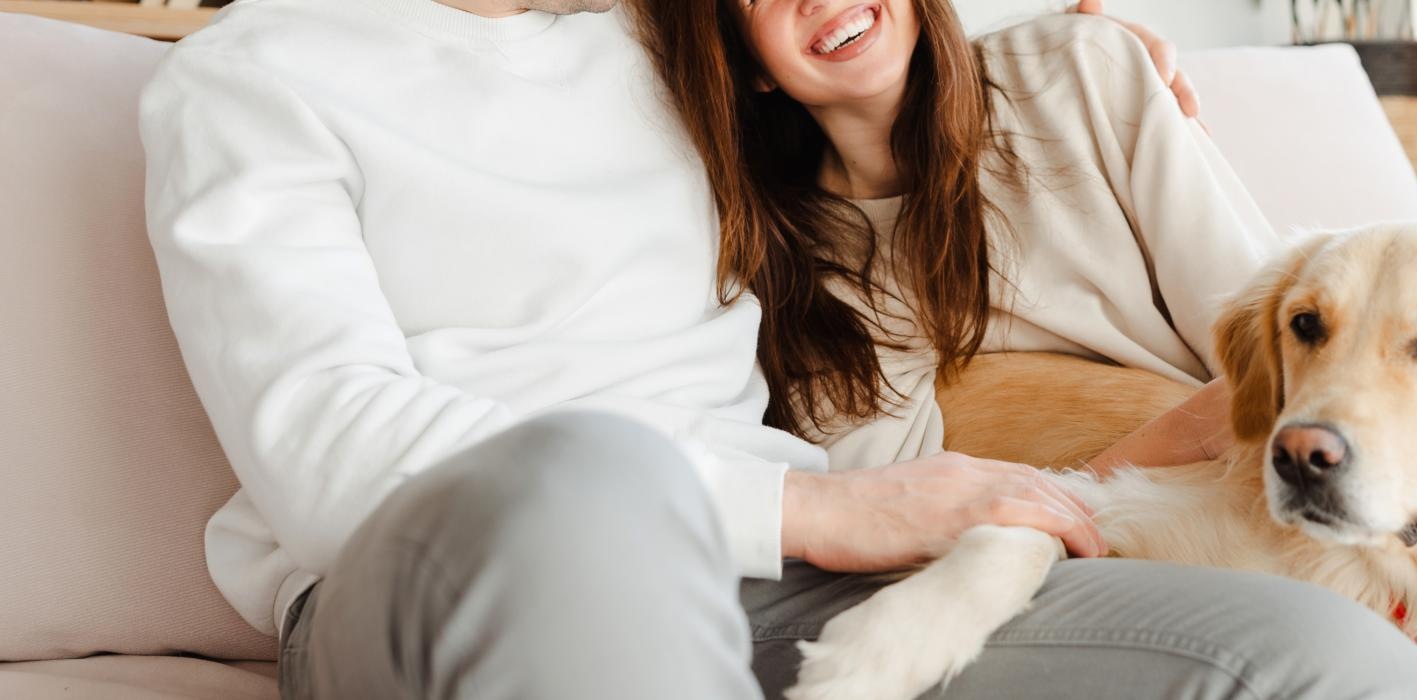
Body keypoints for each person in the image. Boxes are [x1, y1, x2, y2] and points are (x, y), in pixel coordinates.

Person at [137, 0, 1334, 697]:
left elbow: (891, 105)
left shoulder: (684, 44)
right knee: (592, 481)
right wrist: (821, 513)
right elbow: (322, 449)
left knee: (1307, 661)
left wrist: (1084, 67)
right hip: (447, 574)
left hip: (781, 581)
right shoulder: (257, 68)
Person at [637, 0, 1417, 698]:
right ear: (740, 58)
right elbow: (921, 502)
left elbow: (1276, 321)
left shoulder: (1077, 73)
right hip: (1260, 491)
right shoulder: (785, 281)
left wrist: (1291, 427)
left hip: (1370, 336)